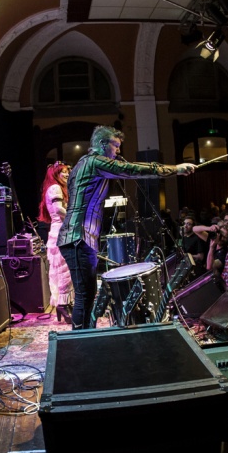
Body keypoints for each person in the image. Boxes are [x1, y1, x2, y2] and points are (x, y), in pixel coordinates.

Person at [58, 125, 196, 329]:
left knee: (86, 296)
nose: (118, 151)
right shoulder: (94, 162)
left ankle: (85, 337)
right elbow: (132, 169)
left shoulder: (82, 164)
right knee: (84, 296)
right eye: (115, 145)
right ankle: (80, 341)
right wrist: (176, 169)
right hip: (77, 237)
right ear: (102, 144)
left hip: (79, 238)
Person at [38, 162, 73, 323]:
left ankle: (64, 303)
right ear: (55, 174)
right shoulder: (55, 188)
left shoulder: (56, 188)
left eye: (67, 172)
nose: (67, 174)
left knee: (63, 269)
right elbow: (58, 209)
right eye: (63, 172)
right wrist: (73, 219)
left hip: (60, 231)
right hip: (61, 231)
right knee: (64, 270)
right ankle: (63, 304)